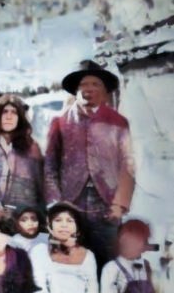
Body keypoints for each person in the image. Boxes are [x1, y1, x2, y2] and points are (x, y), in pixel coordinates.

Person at [45, 60, 135, 268]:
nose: (89, 89)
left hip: (107, 203)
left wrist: (120, 203)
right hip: (71, 203)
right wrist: (57, 204)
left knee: (108, 259)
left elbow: (127, 164)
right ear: (76, 89)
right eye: (84, 84)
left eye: (95, 84)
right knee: (71, 256)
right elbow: (50, 165)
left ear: (104, 90)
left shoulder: (118, 122)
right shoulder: (60, 122)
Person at [0, 93, 43, 214]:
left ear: (20, 117)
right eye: (4, 112)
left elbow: (40, 186)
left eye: (14, 112)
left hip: (24, 218)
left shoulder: (31, 147)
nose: (9, 117)